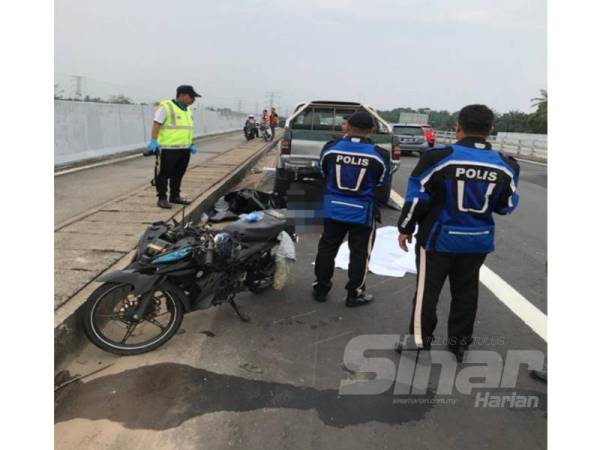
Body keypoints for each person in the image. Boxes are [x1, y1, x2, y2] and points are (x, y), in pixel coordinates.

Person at [396, 104, 520, 361]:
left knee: (427, 291)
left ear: (458, 127)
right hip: (477, 240)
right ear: (491, 130)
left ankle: (419, 341)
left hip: (437, 239)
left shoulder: (438, 157)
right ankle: (460, 343)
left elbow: (417, 198)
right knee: (466, 291)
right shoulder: (506, 165)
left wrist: (405, 228)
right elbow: (506, 206)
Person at [313, 112, 391, 307]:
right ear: (372, 129)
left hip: (333, 208)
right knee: (360, 253)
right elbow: (382, 184)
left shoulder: (331, 148)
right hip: (362, 211)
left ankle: (321, 289)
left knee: (327, 248)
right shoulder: (380, 154)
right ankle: (354, 294)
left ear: (347, 126)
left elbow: (322, 172)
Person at [147, 85, 201, 209]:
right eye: (191, 97)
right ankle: (162, 198)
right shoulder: (166, 107)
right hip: (168, 149)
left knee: (179, 174)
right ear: (181, 95)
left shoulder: (188, 111)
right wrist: (153, 141)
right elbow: (157, 123)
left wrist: (191, 144)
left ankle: (175, 196)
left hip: (184, 149)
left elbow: (187, 130)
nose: (193, 100)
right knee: (164, 174)